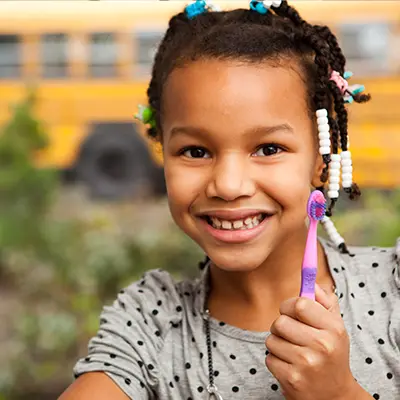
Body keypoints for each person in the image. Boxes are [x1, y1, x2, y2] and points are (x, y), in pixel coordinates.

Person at [59, 1, 399, 399]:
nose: (229, 185)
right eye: (196, 152)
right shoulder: (149, 323)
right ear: (162, 153)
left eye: (269, 148)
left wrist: (338, 393)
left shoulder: (392, 289)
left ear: (321, 163)